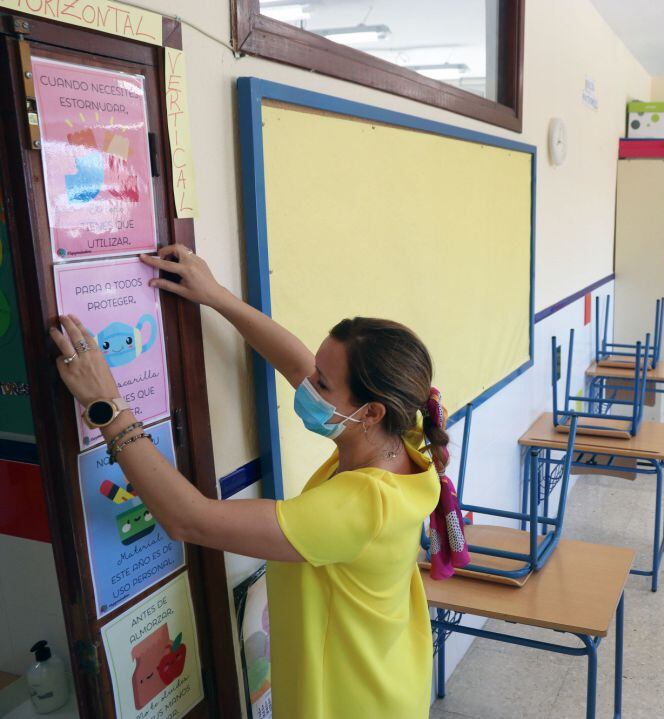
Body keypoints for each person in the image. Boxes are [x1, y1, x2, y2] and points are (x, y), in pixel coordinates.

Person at [50, 244, 445, 718]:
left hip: (350, 702)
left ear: (370, 412)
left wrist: (108, 407)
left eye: (321, 384)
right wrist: (216, 296)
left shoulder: (361, 505)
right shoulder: (400, 439)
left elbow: (189, 520)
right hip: (389, 673)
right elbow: (298, 362)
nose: (307, 385)